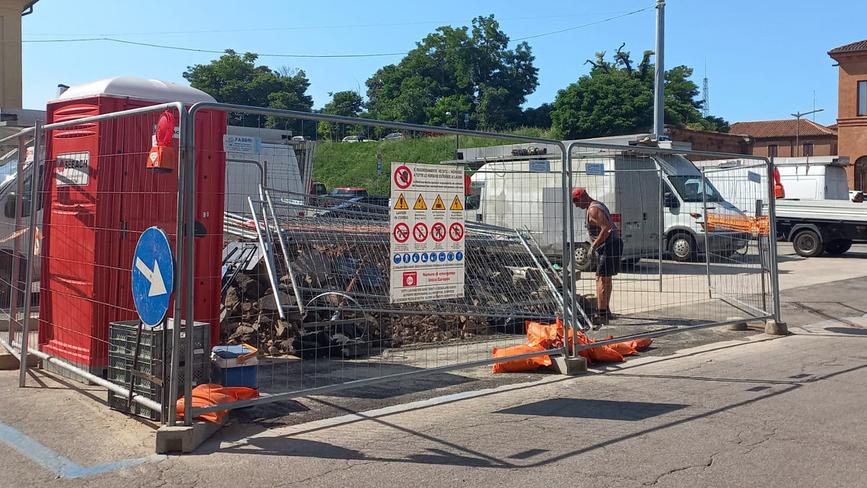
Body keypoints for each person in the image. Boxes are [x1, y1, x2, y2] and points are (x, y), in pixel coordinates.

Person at [572, 187, 624, 327]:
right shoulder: (595, 206)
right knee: (606, 279)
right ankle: (605, 310)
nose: (576, 205)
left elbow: (606, 229)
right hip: (611, 244)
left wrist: (593, 246)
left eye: (576, 201)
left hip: (609, 245)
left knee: (601, 279)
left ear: (584, 197)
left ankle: (602, 315)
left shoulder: (593, 209)